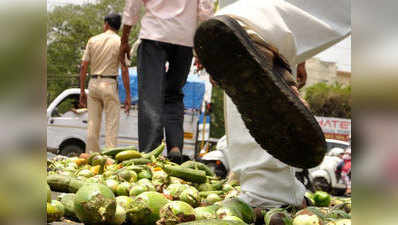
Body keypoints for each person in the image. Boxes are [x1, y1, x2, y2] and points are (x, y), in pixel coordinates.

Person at [193, 0, 351, 220]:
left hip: (235, 23)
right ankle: (259, 26)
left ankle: (266, 189)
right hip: (264, 21)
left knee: (242, 45)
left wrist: (293, 54)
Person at [119, 0, 214, 163]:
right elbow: (205, 11)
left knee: (151, 95)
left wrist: (124, 39)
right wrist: (203, 47)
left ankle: (151, 153)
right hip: (184, 40)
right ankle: (175, 146)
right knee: (174, 94)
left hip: (154, 35)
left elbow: (133, 5)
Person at [79, 13, 131, 153]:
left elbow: (83, 66)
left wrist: (82, 91)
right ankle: (109, 158)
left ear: (106, 24)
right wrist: (128, 95)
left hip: (93, 84)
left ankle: (91, 157)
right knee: (111, 125)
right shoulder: (120, 42)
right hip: (109, 84)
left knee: (92, 124)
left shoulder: (93, 40)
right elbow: (125, 70)